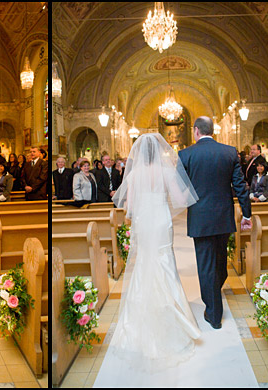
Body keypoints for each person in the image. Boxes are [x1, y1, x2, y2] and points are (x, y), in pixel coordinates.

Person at [95, 133, 201, 386]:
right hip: (161, 219)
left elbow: (128, 207)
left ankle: (141, 317)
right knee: (165, 263)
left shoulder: (132, 175)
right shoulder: (166, 171)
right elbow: (180, 199)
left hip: (143, 221)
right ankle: (170, 311)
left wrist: (141, 208)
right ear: (160, 153)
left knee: (144, 264)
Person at [179, 116, 251, 329]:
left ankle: (213, 312)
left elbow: (180, 189)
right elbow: (240, 186)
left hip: (200, 218)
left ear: (196, 131)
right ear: (212, 130)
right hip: (222, 216)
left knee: (206, 265)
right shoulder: (229, 152)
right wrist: (246, 214)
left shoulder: (186, 154)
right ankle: (214, 300)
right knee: (220, 260)